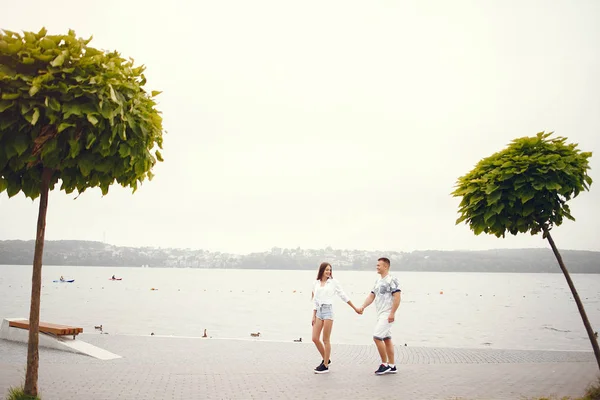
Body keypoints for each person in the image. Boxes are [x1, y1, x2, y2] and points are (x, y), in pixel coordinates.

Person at [311, 262, 361, 374]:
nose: (328, 272)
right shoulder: (316, 283)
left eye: (330, 270)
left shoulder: (333, 283)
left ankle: (325, 365)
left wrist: (355, 308)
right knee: (314, 338)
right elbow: (315, 300)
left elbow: (343, 295)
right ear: (322, 271)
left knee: (325, 339)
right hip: (319, 311)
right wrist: (313, 315)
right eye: (326, 270)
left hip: (328, 311)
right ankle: (326, 358)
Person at [359, 257, 401, 375]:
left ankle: (384, 364)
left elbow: (397, 298)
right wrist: (363, 306)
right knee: (387, 339)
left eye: (379, 265)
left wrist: (392, 313)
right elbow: (371, 296)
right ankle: (392, 366)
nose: (377, 267)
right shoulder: (378, 281)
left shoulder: (392, 280)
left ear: (386, 266)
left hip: (388, 314)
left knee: (377, 337)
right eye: (377, 265)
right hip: (380, 314)